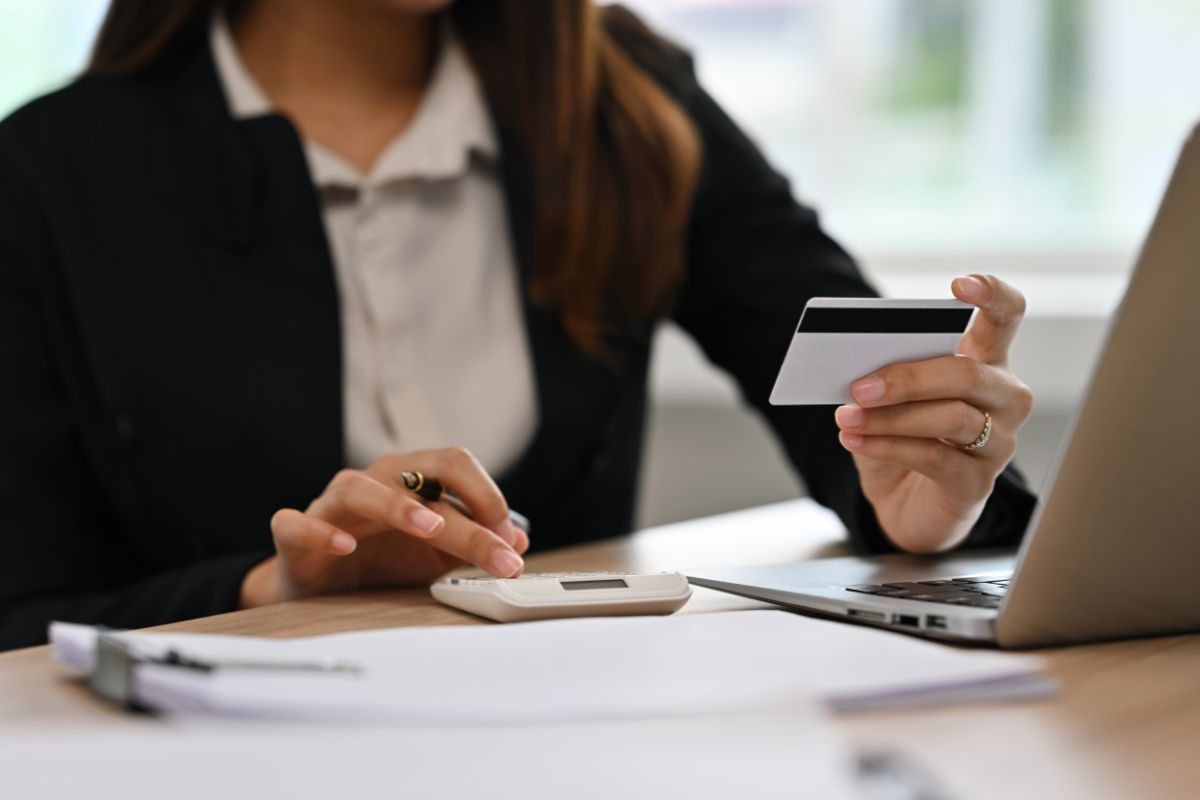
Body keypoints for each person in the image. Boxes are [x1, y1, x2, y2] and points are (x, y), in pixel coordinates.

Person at [0, 0, 1037, 651]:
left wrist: (926, 494)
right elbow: (21, 616)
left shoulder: (624, 97)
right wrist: (264, 585)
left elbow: (849, 385)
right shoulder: (50, 177)